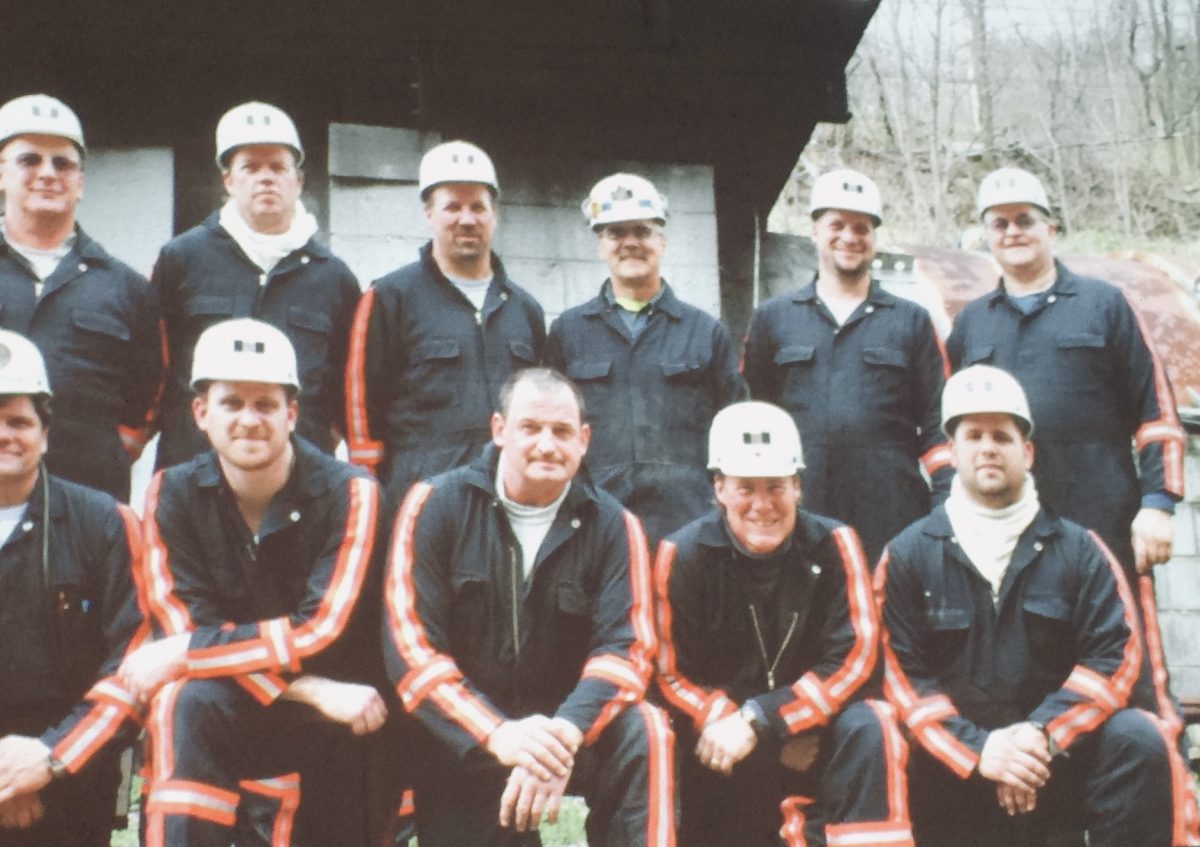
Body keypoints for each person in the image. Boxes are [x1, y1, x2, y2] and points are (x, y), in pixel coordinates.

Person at [876, 365, 1199, 847]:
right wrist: (979, 750)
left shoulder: (1081, 550)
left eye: (1002, 437)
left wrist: (1040, 736)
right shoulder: (907, 555)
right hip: (952, 775)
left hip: (1054, 768)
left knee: (1139, 737)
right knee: (873, 732)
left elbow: (1115, 659)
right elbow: (901, 676)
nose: (988, 447)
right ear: (951, 452)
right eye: (974, 435)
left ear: (1026, 452)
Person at [118, 318, 393, 847]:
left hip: (346, 713)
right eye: (232, 403)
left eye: (266, 404)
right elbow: (184, 627)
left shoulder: (353, 492)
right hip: (284, 696)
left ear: (292, 413)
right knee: (184, 700)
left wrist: (190, 653)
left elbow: (320, 629)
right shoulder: (169, 491)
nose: (250, 420)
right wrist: (304, 689)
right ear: (200, 413)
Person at [383, 367, 675, 846]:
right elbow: (411, 650)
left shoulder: (615, 525)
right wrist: (498, 735)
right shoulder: (434, 504)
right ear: (499, 430)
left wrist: (560, 738)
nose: (547, 445)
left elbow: (627, 650)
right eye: (530, 428)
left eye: (562, 432)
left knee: (646, 729)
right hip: (470, 737)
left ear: (584, 440)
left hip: (571, 728)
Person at [946, 166, 1186, 728]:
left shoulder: (1105, 304)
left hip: (1104, 513)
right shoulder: (971, 324)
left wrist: (1159, 504)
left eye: (1025, 219)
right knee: (1028, 654)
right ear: (985, 234)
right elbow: (949, 431)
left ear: (1050, 226)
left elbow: (1159, 413)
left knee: (1131, 654)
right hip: (1010, 525)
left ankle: (1161, 780)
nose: (1013, 232)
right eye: (999, 223)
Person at [655, 400, 912, 847]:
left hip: (812, 739)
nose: (762, 505)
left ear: (798, 486)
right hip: (719, 748)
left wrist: (765, 721)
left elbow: (855, 658)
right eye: (745, 488)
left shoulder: (836, 544)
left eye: (776, 486)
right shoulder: (682, 555)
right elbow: (670, 671)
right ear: (719, 488)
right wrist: (729, 723)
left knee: (873, 723)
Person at [742, 168, 950, 565]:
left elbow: (941, 418)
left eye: (862, 227)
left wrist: (943, 500)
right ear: (814, 232)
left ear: (874, 237)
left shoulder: (912, 321)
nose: (850, 237)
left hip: (893, 509)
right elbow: (751, 411)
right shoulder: (773, 319)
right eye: (836, 224)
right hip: (799, 507)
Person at [0, 329, 148, 846]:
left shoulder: (106, 523)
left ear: (46, 431)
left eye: (19, 421)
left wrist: (48, 759)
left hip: (70, 770)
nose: (5, 435)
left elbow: (133, 663)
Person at [153, 101, 360, 470]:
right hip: (194, 472)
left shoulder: (334, 278)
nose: (266, 178)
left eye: (278, 167)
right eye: (250, 167)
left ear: (297, 181)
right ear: (228, 180)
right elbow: (154, 368)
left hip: (301, 477)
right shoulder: (182, 259)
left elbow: (345, 390)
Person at [545, 173, 747, 545]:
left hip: (689, 525)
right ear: (600, 246)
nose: (630, 243)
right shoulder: (568, 333)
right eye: (615, 233)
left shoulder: (704, 332)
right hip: (593, 524)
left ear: (662, 241)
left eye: (642, 230)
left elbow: (736, 428)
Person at [345, 140, 545, 506]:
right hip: (420, 491)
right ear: (428, 213)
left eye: (477, 207)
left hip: (507, 491)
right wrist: (372, 486)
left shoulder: (524, 309)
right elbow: (361, 406)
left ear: (494, 214)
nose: (466, 219)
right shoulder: (390, 297)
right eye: (452, 206)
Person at [0, 94, 163, 502]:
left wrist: (108, 452)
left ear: (81, 182)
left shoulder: (126, 288)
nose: (48, 173)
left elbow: (148, 393)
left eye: (63, 163)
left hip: (88, 504)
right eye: (29, 160)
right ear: (2, 173)